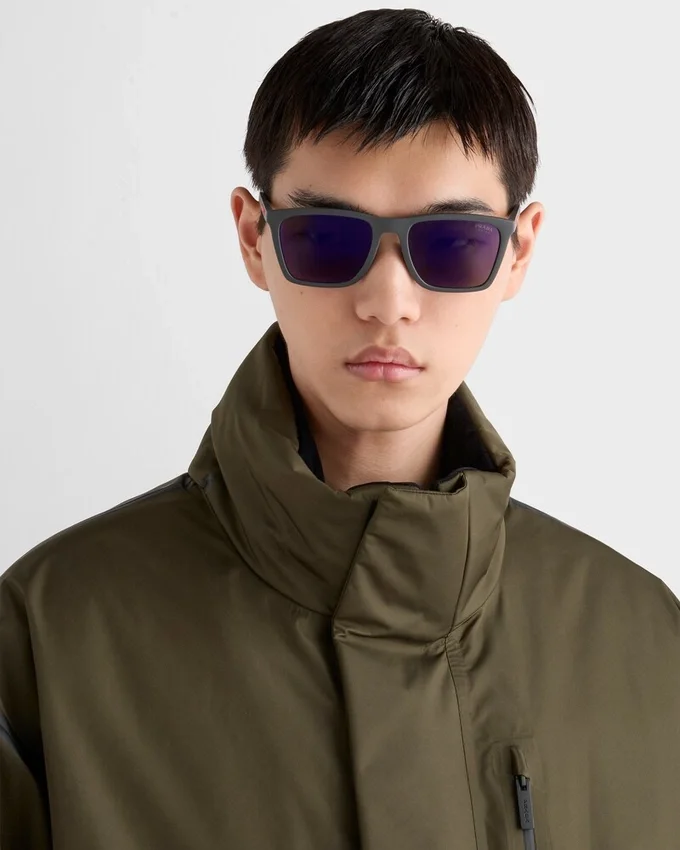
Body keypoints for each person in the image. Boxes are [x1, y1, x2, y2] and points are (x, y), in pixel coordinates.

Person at [1, 8, 678, 848]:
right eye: (327, 239)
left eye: (452, 244)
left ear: (518, 251)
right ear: (254, 238)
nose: (388, 301)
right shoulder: (50, 636)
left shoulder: (646, 642)